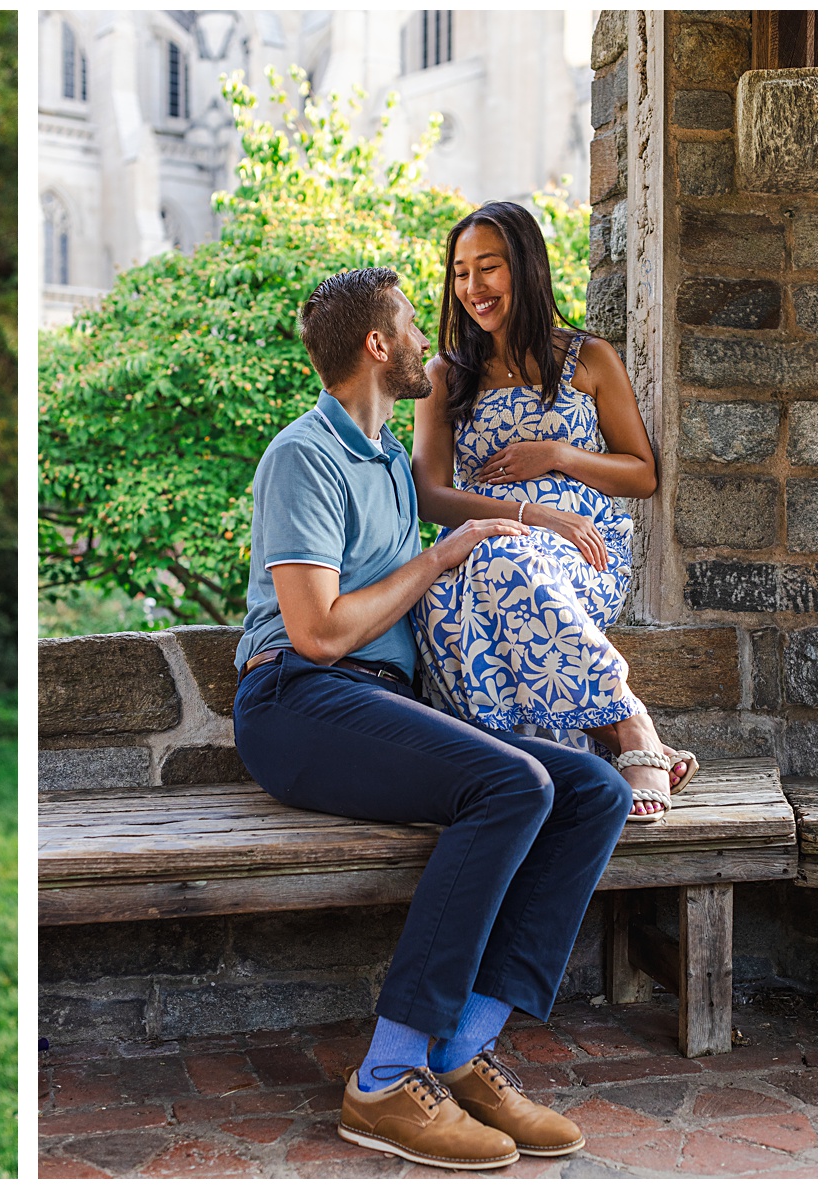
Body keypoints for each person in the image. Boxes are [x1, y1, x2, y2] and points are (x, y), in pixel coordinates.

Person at [232, 267, 633, 1170]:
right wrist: (440, 556)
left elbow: (450, 518)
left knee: (593, 790)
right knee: (511, 782)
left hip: (378, 702)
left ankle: (460, 1051)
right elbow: (319, 629)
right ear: (376, 345)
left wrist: (528, 518)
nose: (427, 341)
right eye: (412, 325)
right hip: (295, 700)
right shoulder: (305, 455)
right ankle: (384, 1075)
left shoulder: (386, 465)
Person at [411, 201, 697, 822]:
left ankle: (622, 730)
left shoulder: (587, 360)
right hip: (482, 555)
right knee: (453, 592)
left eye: (488, 268)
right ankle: (618, 727)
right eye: (460, 273)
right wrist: (532, 514)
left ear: (526, 268)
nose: (472, 288)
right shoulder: (444, 375)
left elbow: (641, 473)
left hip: (585, 556)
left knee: (501, 557)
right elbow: (431, 495)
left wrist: (559, 455)